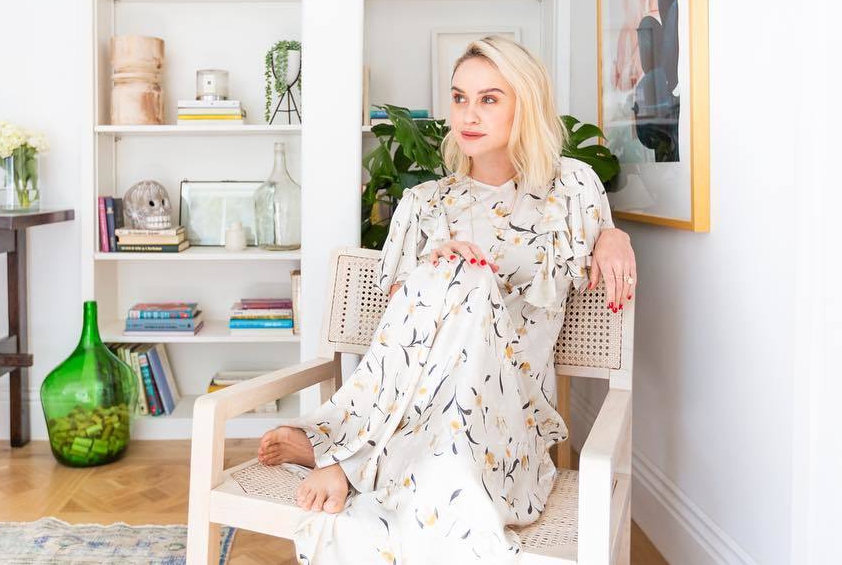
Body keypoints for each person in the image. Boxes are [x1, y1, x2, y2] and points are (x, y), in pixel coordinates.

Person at [257, 35, 637, 563]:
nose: (469, 114)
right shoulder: (424, 203)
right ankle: (360, 456)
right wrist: (438, 267)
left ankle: (347, 456)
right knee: (455, 269)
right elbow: (399, 335)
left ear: (524, 104)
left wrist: (613, 235)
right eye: (459, 98)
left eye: (489, 99)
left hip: (507, 419)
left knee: (465, 271)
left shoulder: (571, 189)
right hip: (413, 410)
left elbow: (600, 235)